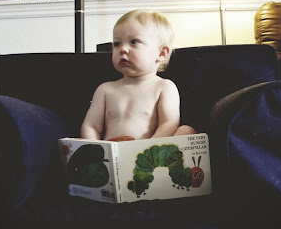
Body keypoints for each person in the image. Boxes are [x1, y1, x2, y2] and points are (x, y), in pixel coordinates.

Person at [80, 9, 196, 141]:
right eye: (117, 44)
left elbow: (169, 123)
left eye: (134, 42)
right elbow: (91, 126)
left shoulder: (164, 87)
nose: (123, 49)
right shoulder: (105, 89)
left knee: (187, 131)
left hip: (150, 149)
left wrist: (149, 146)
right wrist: (95, 146)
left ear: (161, 53)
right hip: (112, 151)